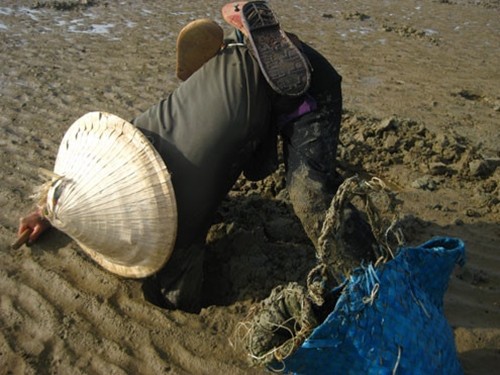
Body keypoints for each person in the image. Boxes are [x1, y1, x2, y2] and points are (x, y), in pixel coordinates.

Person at [17, 1, 376, 313]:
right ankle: (251, 56)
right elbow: (87, 175)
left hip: (306, 91)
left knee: (309, 194)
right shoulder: (138, 132)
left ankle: (370, 273)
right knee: (247, 148)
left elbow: (179, 294)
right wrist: (47, 211)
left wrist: (166, 285)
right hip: (240, 57)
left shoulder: (182, 219)